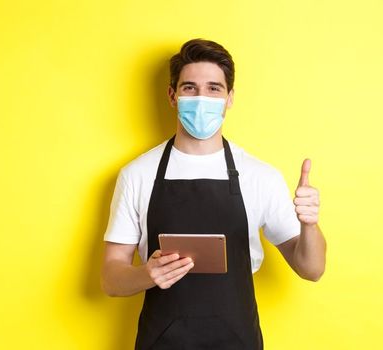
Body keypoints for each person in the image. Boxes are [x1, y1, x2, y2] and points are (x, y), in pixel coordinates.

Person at [100, 38, 327, 350]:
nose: (201, 98)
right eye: (190, 88)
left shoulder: (260, 176)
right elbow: (111, 278)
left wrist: (309, 225)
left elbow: (311, 269)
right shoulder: (137, 174)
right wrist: (147, 274)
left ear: (229, 98)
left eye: (214, 89)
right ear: (172, 95)